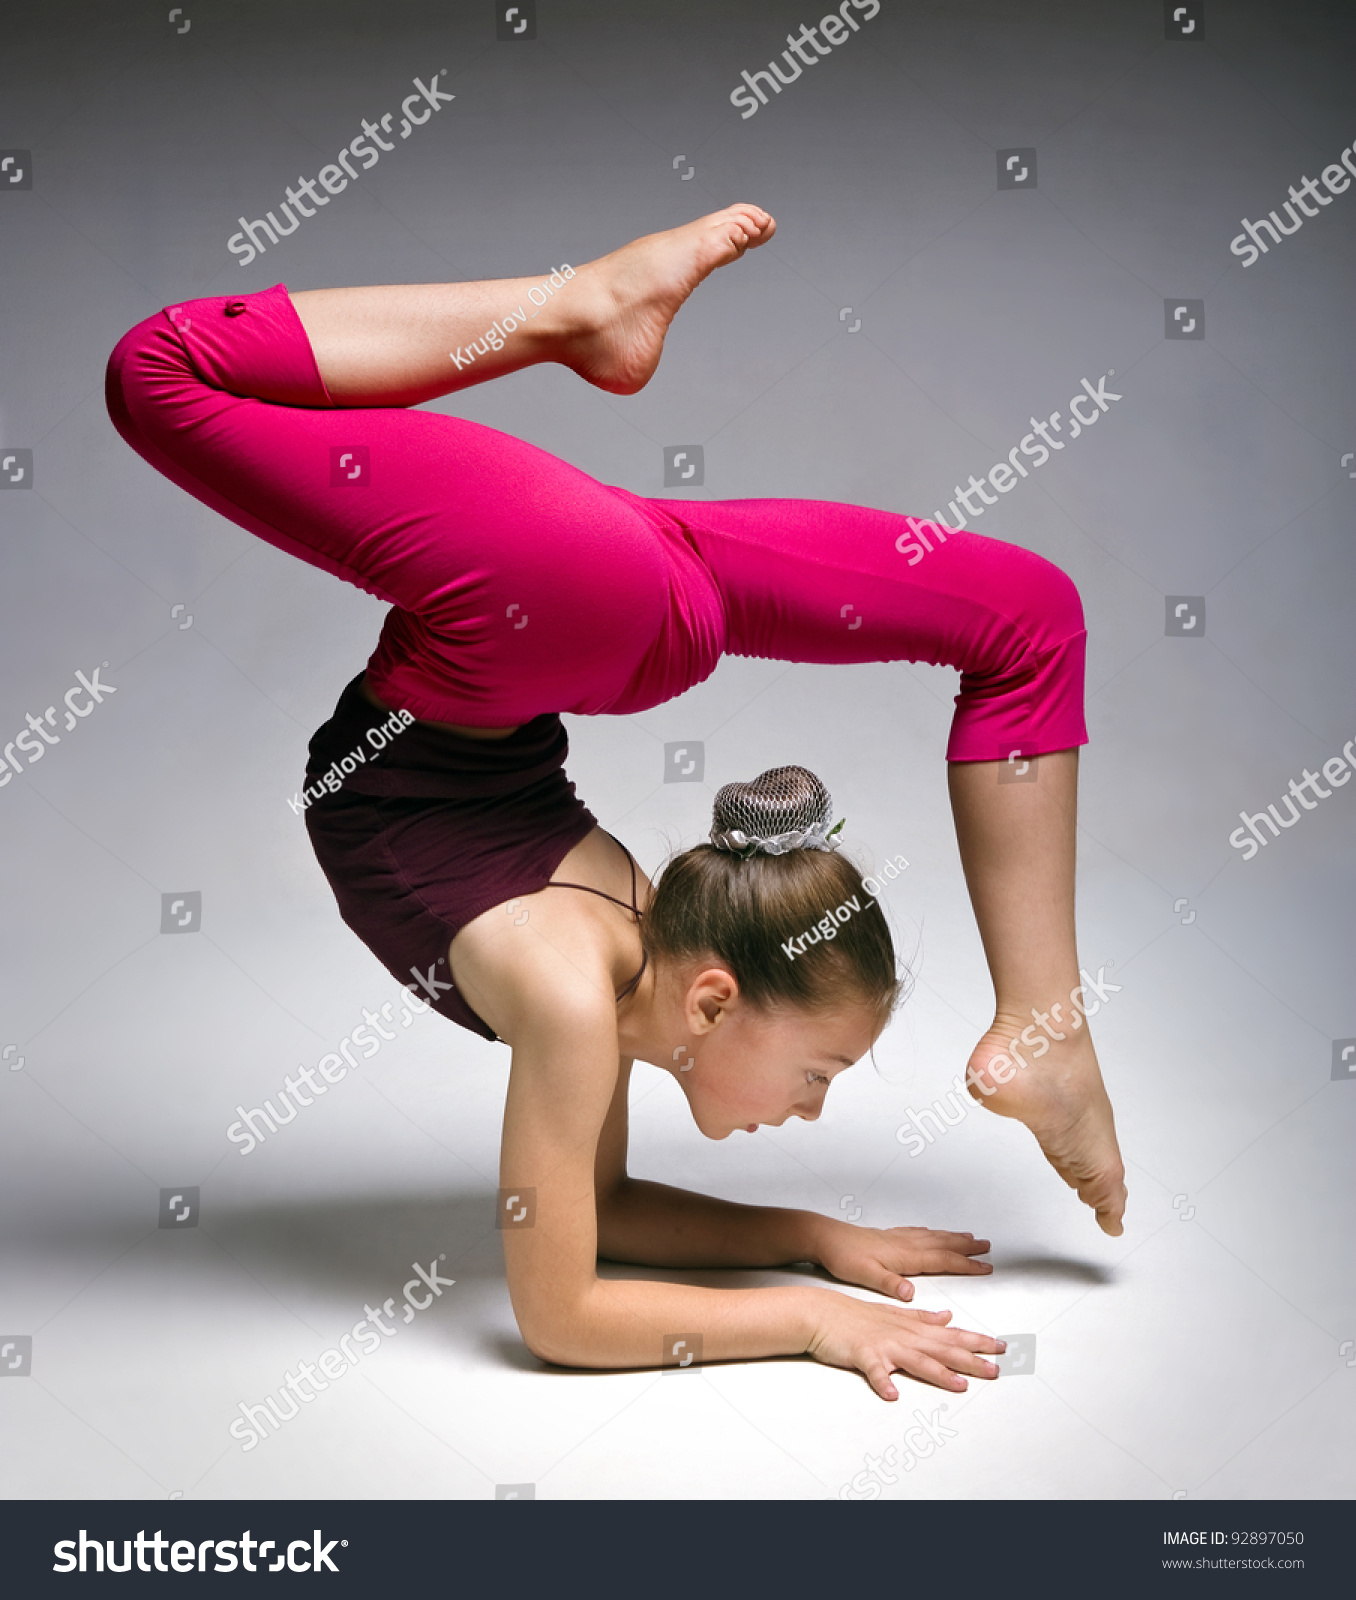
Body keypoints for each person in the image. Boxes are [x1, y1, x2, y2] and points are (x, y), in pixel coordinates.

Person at [105, 203, 1125, 1401]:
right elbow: (562, 1315)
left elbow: (605, 1212)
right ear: (715, 991)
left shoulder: (633, 962)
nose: (809, 1111)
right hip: (542, 611)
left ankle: (1047, 1020)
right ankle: (580, 305)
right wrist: (813, 1320)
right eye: (818, 1075)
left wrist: (814, 1235)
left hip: (581, 604)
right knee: (158, 370)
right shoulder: (579, 999)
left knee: (1029, 618)